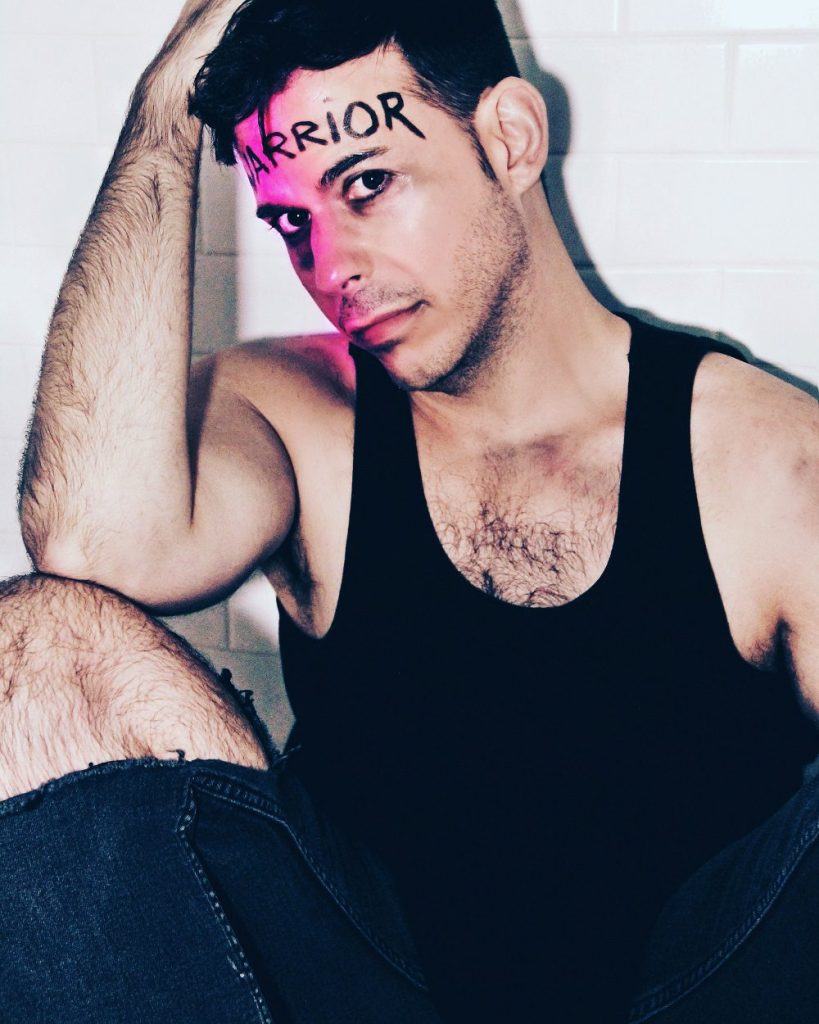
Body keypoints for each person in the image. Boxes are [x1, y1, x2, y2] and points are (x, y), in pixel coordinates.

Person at [4, 0, 818, 1020]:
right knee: (34, 645)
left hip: (696, 997)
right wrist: (165, 102)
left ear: (510, 138)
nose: (331, 266)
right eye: (291, 220)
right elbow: (92, 544)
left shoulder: (770, 461)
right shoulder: (297, 410)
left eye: (367, 185)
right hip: (361, 991)